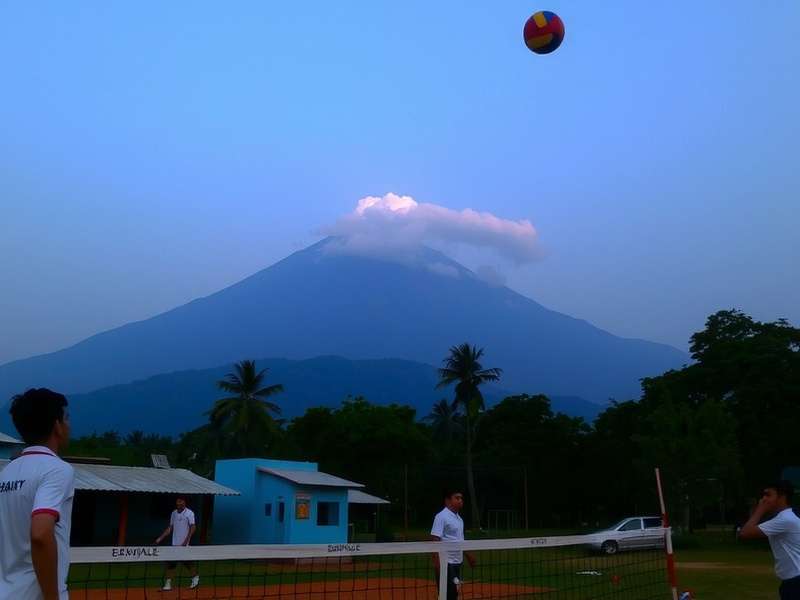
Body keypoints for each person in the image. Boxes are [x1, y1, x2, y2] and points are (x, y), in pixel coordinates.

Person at [0, 388, 74, 600]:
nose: (69, 425)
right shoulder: (57, 469)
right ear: (56, 426)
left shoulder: (7, 472)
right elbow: (40, 534)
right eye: (66, 418)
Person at [739, 480, 800, 599]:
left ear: (782, 497)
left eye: (768, 495)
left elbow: (745, 533)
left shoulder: (785, 520)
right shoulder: (788, 517)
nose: (763, 499)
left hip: (796, 581)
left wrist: (760, 509)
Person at [430, 489, 476, 600]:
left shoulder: (459, 519)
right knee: (448, 594)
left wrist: (468, 555)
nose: (460, 500)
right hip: (446, 563)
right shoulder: (441, 516)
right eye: (457, 498)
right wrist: (437, 563)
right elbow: (435, 539)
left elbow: (459, 541)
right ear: (448, 501)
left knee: (454, 594)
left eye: (461, 498)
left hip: (457, 562)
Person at [154, 496, 199, 591]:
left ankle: (195, 578)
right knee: (171, 564)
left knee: (188, 563)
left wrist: (186, 540)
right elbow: (170, 528)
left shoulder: (189, 513)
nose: (179, 503)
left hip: (184, 545)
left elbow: (193, 527)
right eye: (178, 502)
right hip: (174, 545)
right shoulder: (173, 513)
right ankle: (168, 584)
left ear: (184, 502)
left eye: (181, 501)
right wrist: (160, 538)